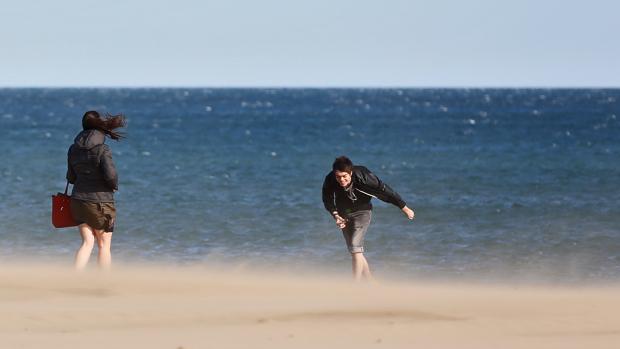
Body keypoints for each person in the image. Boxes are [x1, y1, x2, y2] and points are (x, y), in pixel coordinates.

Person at [322, 156, 414, 280]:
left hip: (362, 212)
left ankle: (355, 286)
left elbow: (385, 190)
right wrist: (336, 215)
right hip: (343, 214)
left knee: (355, 247)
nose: (341, 180)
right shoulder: (330, 179)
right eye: (338, 176)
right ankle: (370, 281)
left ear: (351, 173)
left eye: (344, 176)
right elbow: (327, 199)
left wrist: (404, 207)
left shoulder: (364, 176)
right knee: (355, 251)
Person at [67, 111, 125, 270]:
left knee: (87, 242)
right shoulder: (102, 149)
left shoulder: (73, 148)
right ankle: (102, 284)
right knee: (104, 244)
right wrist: (114, 185)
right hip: (101, 202)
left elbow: (71, 177)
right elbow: (111, 175)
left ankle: (73, 280)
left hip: (78, 200)